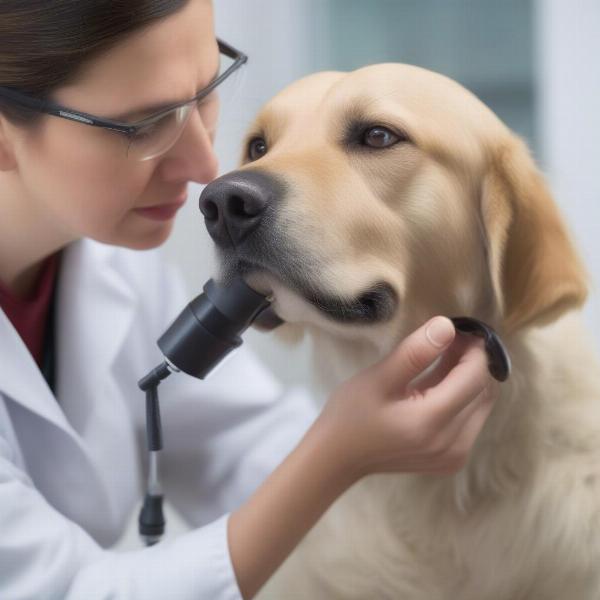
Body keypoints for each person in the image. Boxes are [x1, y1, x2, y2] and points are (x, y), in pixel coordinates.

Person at [0, 1, 498, 598]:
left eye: (207, 89)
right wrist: (337, 456)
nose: (206, 166)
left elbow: (246, 448)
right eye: (142, 124)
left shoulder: (116, 271)